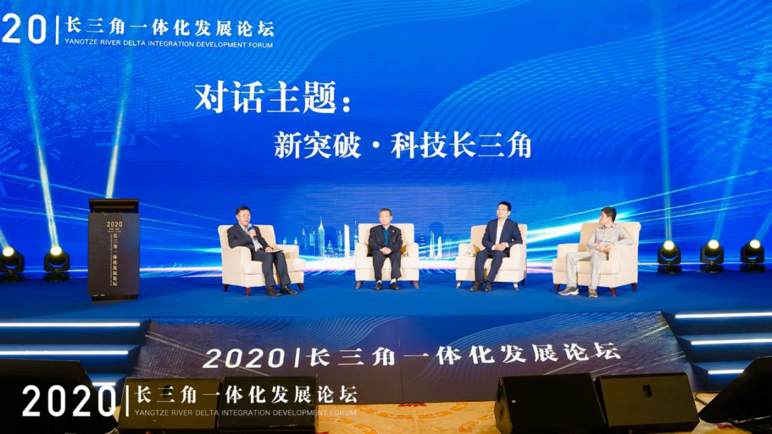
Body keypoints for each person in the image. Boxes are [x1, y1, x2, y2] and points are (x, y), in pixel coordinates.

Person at [559, 206, 633, 298]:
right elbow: (589, 243)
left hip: (603, 254)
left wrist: (614, 245)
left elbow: (629, 241)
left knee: (595, 257)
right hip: (592, 251)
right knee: (570, 256)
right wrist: (597, 246)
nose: (599, 217)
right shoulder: (597, 230)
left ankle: (592, 288)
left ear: (609, 218)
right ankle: (572, 287)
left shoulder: (619, 229)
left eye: (602, 216)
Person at [226, 206, 297, 297]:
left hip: (262, 251)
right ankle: (270, 288)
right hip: (252, 253)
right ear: (237, 217)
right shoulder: (232, 230)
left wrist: (267, 247)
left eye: (248, 215)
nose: (246, 218)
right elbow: (232, 244)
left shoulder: (255, 228)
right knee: (269, 256)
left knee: (280, 254)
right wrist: (249, 236)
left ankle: (285, 286)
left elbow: (261, 240)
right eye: (244, 215)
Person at [472, 201, 523, 292]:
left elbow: (519, 240)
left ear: (508, 213)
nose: (500, 211)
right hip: (491, 249)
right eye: (498, 209)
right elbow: (484, 240)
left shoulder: (512, 224)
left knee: (498, 254)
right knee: (480, 254)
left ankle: (489, 282)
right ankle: (478, 283)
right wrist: (494, 246)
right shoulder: (491, 223)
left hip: (503, 251)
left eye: (503, 210)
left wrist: (506, 244)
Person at [368, 208, 403, 290]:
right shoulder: (373, 230)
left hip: (392, 250)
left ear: (391, 218)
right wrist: (381, 249)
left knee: (397, 253)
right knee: (376, 254)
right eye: (381, 216)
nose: (384, 218)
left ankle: (393, 281)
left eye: (386, 216)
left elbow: (399, 243)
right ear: (379, 218)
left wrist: (390, 249)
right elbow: (371, 242)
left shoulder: (397, 230)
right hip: (379, 250)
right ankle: (378, 281)